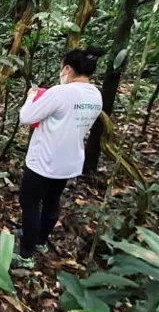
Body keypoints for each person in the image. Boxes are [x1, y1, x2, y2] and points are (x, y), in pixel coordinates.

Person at [12, 47, 104, 269]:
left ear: (68, 68)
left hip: (44, 161)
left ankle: (25, 254)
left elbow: (26, 116)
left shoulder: (60, 92)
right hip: (69, 161)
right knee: (52, 201)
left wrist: (32, 96)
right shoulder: (95, 95)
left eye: (62, 67)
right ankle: (41, 241)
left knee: (30, 203)